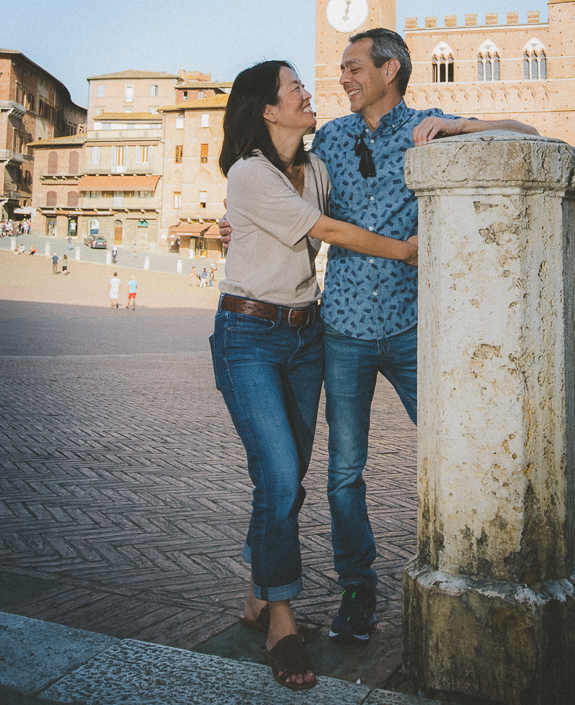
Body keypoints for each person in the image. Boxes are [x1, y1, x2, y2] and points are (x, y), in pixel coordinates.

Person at [224, 28, 538, 642]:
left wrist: (460, 128)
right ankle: (357, 590)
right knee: (343, 472)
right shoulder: (329, 139)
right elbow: (277, 172)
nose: (341, 78)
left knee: (452, 446)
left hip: (411, 325)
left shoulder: (428, 124)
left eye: (352, 67)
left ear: (389, 70)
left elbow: (523, 135)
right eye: (338, 69)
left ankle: (475, 568)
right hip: (339, 329)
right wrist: (237, 216)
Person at [212, 60, 423, 690]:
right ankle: (280, 620)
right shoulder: (249, 173)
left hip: (305, 338)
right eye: (294, 87)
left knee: (285, 480)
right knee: (280, 475)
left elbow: (340, 202)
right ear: (268, 110)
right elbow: (324, 230)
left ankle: (255, 594)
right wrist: (408, 250)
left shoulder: (316, 167)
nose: (309, 92)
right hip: (248, 336)